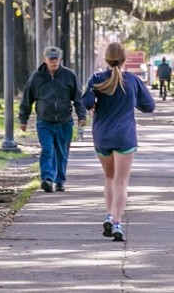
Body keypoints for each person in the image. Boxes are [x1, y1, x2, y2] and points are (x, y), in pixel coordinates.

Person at [81, 42, 156, 242]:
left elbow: (85, 103)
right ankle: (117, 222)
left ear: (106, 59)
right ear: (125, 59)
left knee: (109, 177)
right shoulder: (132, 80)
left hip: (102, 135)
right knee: (121, 182)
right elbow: (149, 106)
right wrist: (132, 101)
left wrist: (95, 103)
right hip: (125, 136)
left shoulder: (96, 79)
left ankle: (108, 214)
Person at [19, 46, 87, 193]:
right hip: (45, 121)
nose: (54, 61)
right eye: (51, 59)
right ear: (45, 60)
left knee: (61, 152)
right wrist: (23, 119)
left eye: (56, 59)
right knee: (48, 150)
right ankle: (48, 179)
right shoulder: (37, 77)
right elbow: (27, 98)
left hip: (64, 121)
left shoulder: (68, 75)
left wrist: (81, 116)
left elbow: (78, 98)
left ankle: (60, 181)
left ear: (60, 60)